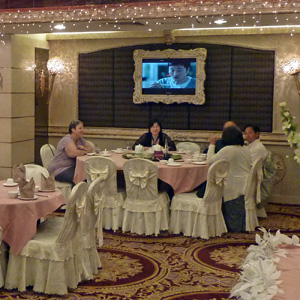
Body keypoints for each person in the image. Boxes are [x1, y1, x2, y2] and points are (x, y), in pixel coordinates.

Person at [198, 126, 251, 232]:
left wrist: (212, 144)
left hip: (232, 186)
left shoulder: (228, 150)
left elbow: (210, 161)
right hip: (245, 184)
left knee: (202, 188)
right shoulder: (245, 149)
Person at [48, 120, 93, 185]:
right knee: (79, 178)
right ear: (73, 130)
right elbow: (73, 153)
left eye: (83, 128)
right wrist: (84, 151)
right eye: (80, 128)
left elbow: (90, 148)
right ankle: (75, 195)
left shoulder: (80, 139)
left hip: (71, 167)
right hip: (59, 170)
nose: (82, 130)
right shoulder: (67, 140)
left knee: (87, 176)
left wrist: (83, 150)